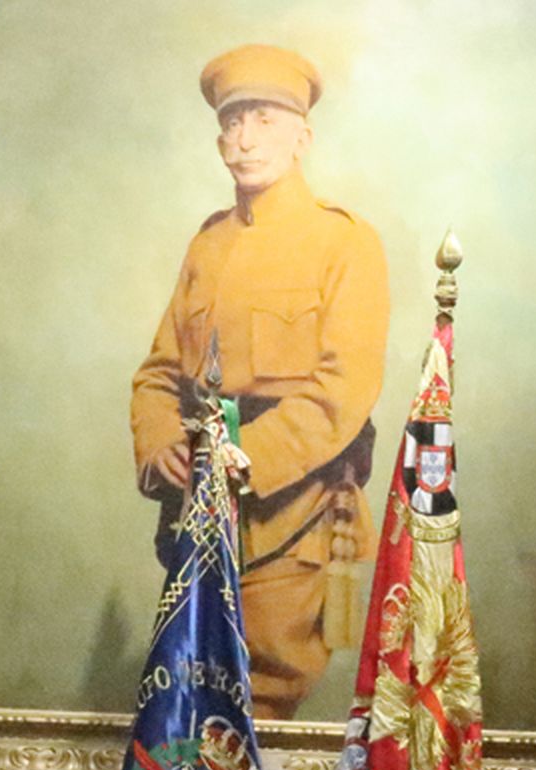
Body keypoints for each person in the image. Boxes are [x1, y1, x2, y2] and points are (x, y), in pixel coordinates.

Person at [130, 44, 390, 719]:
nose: (245, 140)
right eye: (234, 122)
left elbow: (343, 390)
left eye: (265, 120)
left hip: (291, 515)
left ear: (303, 137)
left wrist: (249, 458)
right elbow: (160, 372)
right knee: (185, 697)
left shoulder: (345, 242)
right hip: (196, 513)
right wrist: (160, 441)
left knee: (256, 708)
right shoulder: (208, 244)